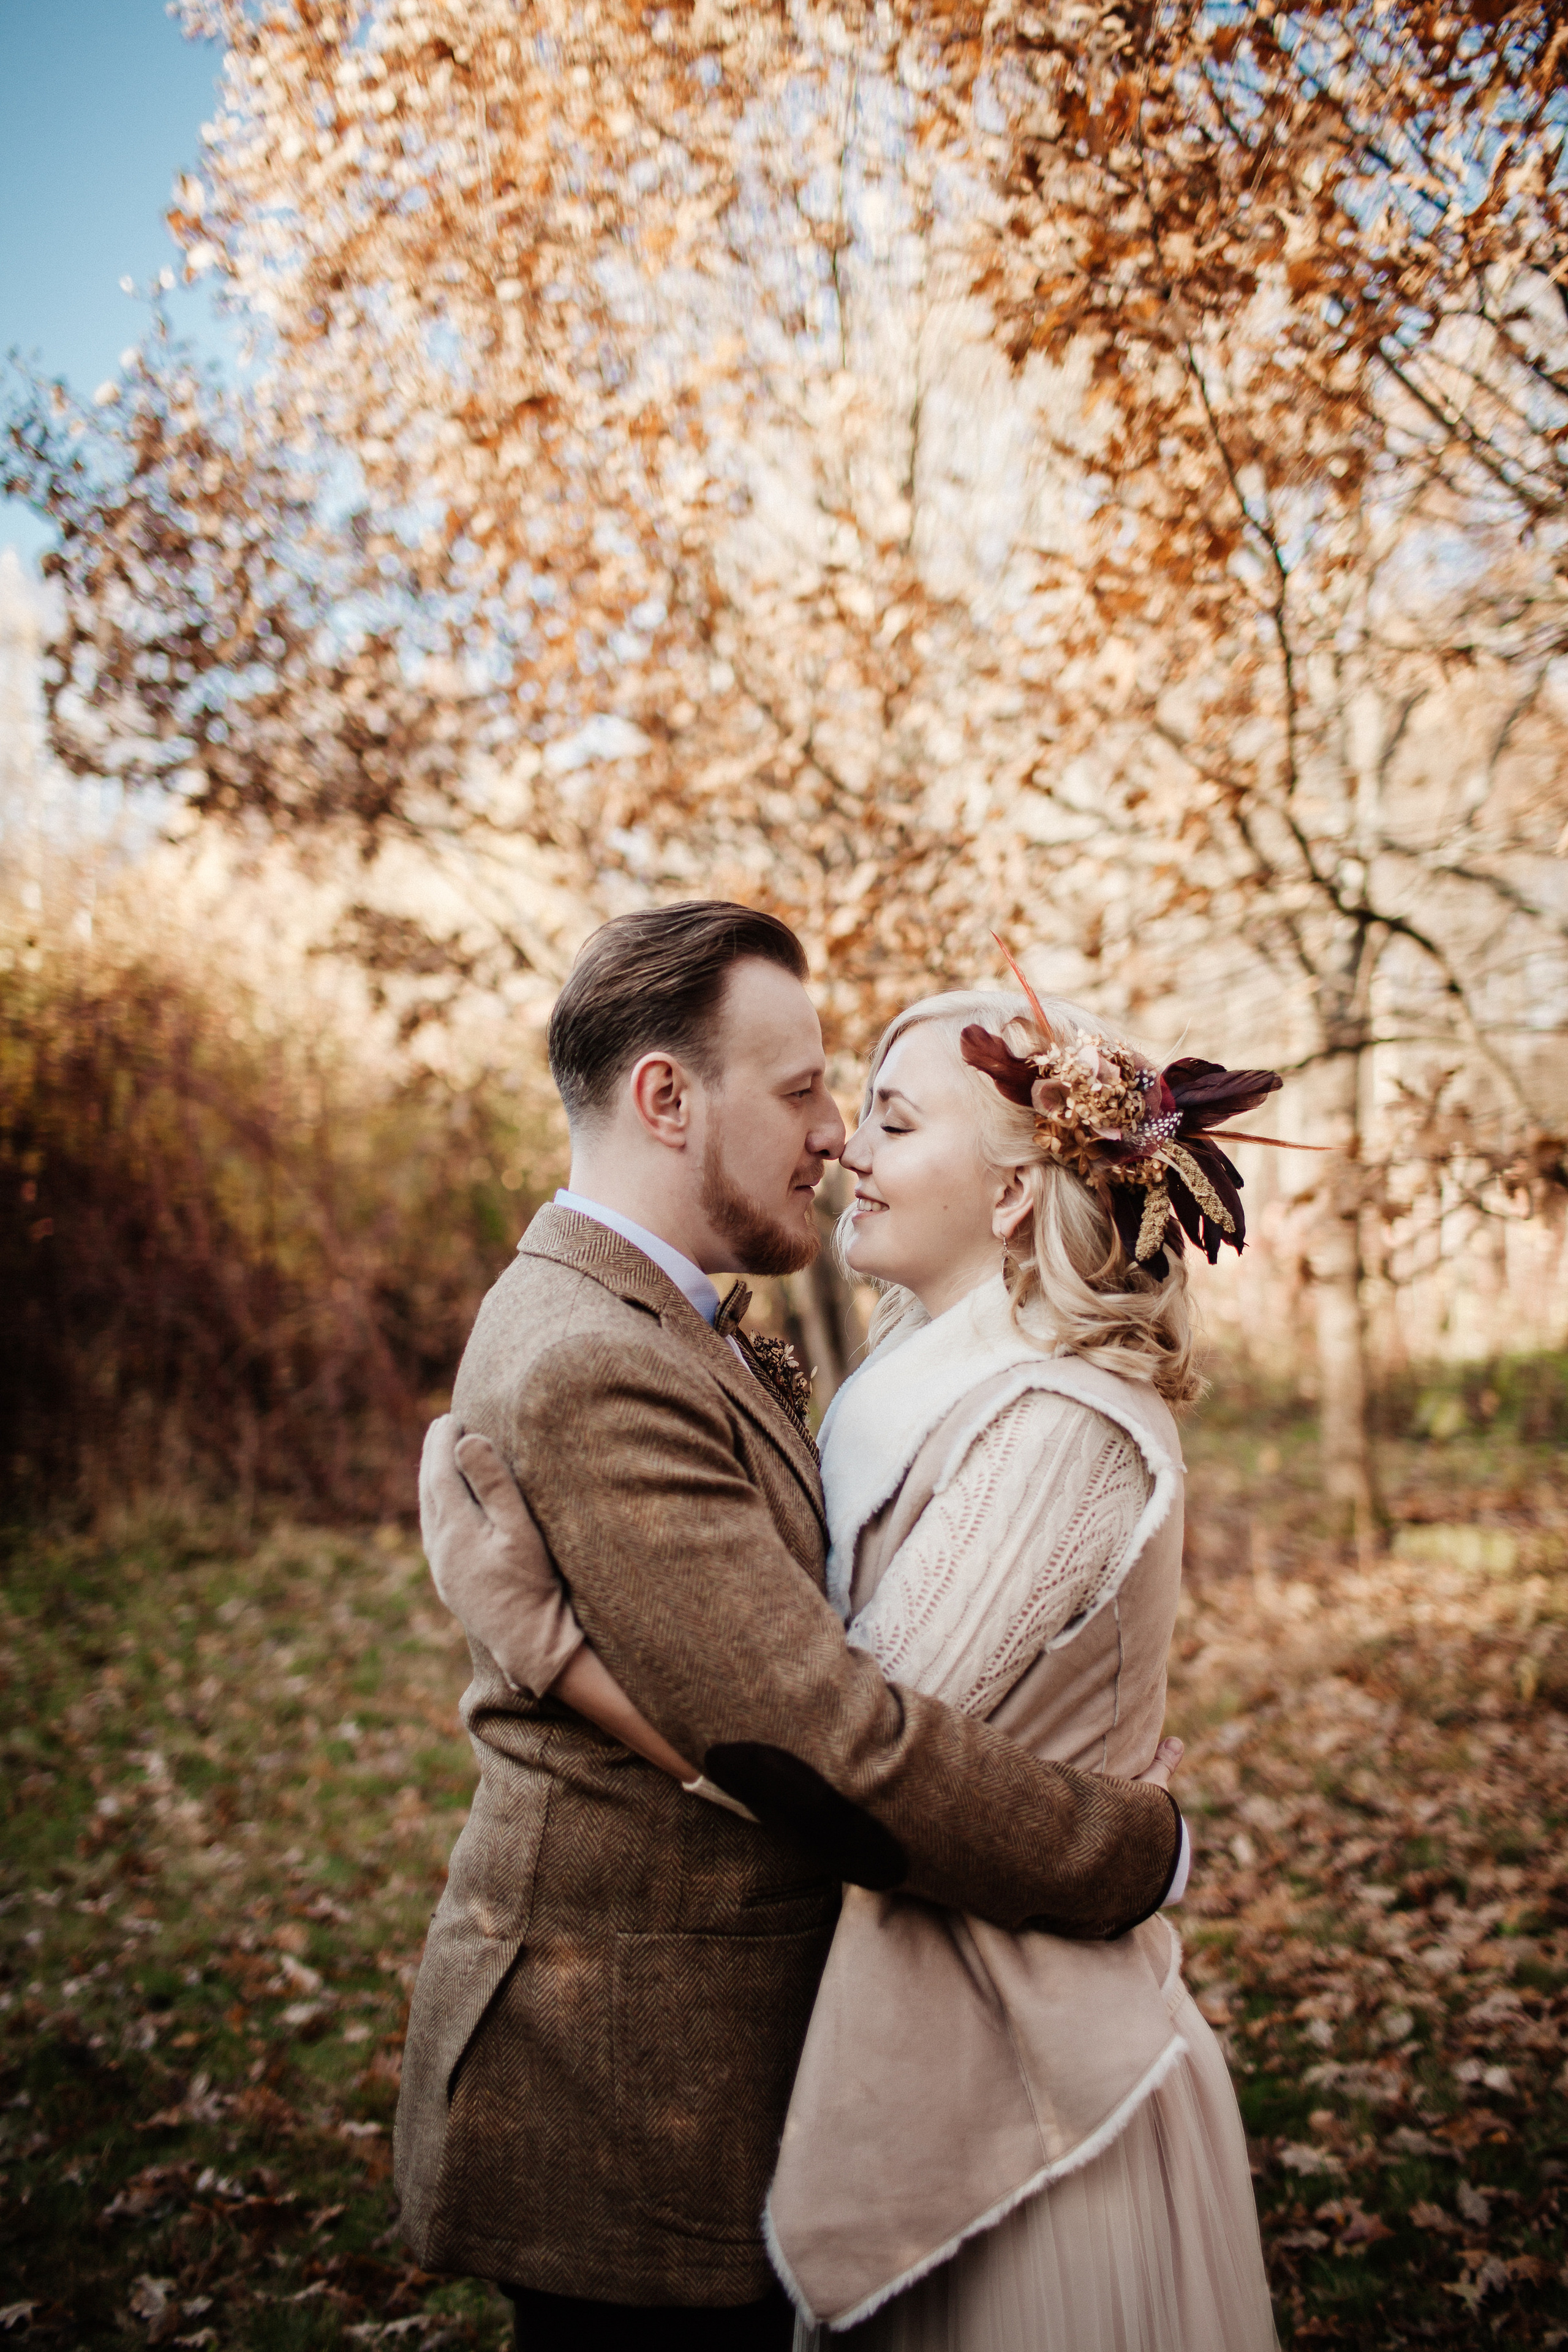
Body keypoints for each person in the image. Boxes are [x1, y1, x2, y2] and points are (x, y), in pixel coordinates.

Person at [421, 965, 1283, 2350]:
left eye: (887, 1118)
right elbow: (824, 1729)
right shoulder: (889, 1381)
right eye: (826, 1102)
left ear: (1011, 1191)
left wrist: (551, 1649)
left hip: (1020, 2079)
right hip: (870, 2037)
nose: (840, 1144)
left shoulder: (1056, 1423)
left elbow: (841, 1753)